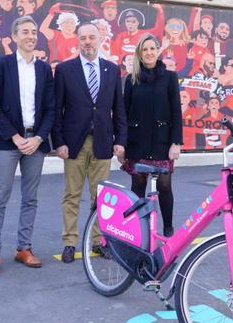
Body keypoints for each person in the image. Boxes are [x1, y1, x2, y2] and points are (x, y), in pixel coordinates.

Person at [0, 15, 55, 277]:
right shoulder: (2, 65)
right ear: (14, 37)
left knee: (30, 198)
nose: (30, 36)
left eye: (33, 31)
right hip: (8, 141)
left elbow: (50, 108)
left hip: (35, 142)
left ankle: (23, 248)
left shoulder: (44, 69)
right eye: (24, 31)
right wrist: (15, 137)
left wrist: (38, 138)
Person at [52, 23, 127, 263]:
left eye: (91, 37)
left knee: (102, 197)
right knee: (72, 195)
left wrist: (120, 140)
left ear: (100, 39)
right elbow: (57, 110)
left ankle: (98, 241)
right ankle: (69, 242)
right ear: (77, 41)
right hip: (74, 143)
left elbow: (119, 109)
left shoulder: (112, 70)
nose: (87, 42)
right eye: (83, 38)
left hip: (103, 143)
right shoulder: (65, 70)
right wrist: (59, 142)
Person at [120, 34, 182, 236]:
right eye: (144, 49)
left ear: (158, 51)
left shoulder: (170, 77)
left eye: (152, 49)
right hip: (137, 142)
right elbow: (124, 112)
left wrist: (176, 143)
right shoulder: (131, 79)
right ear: (139, 53)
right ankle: (137, 229)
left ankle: (168, 228)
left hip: (163, 142)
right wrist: (121, 143)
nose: (148, 53)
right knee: (138, 185)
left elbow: (176, 112)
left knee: (165, 185)